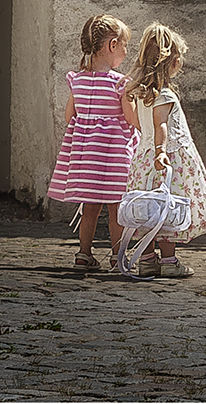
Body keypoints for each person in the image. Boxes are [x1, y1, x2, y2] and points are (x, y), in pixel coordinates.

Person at [123, 23, 206, 278]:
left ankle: (146, 259)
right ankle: (168, 260)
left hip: (144, 160)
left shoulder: (143, 94)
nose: (182, 61)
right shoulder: (164, 95)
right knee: (167, 207)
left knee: (147, 209)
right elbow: (161, 124)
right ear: (170, 60)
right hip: (168, 158)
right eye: (179, 56)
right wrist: (161, 151)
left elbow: (139, 122)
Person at [47, 14, 138, 271]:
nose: (125, 51)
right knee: (116, 209)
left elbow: (68, 116)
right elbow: (130, 118)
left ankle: (84, 254)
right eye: (124, 46)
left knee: (89, 209)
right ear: (112, 45)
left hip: (87, 158)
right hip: (113, 155)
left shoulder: (77, 80)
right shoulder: (121, 83)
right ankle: (117, 255)